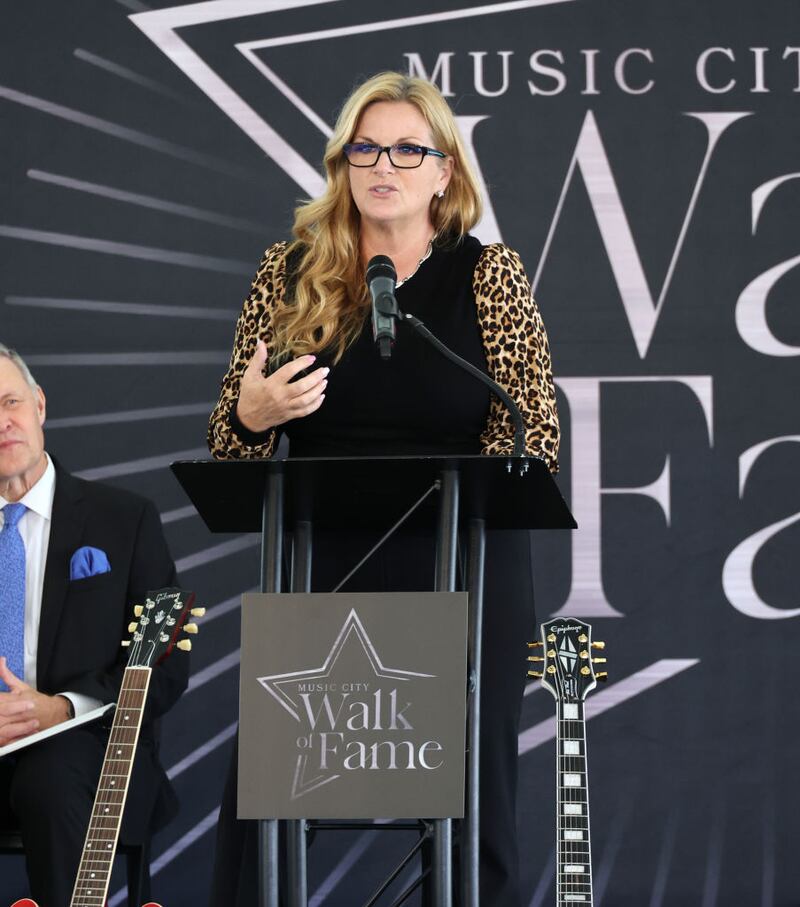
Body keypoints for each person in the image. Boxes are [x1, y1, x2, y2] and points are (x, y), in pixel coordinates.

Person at [207, 71, 559, 906]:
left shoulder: (488, 275)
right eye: (364, 148)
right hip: (326, 562)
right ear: (342, 165)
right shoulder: (288, 272)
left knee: (477, 803)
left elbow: (532, 430)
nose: (383, 165)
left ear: (444, 171)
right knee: (267, 800)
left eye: (407, 148)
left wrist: (483, 472)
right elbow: (229, 445)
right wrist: (254, 416)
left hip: (465, 560)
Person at [0, 344, 189, 907]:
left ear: (39, 405)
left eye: (10, 402)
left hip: (84, 747)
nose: (2, 423)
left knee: (49, 778)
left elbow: (167, 665)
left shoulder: (122, 519)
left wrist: (58, 707)